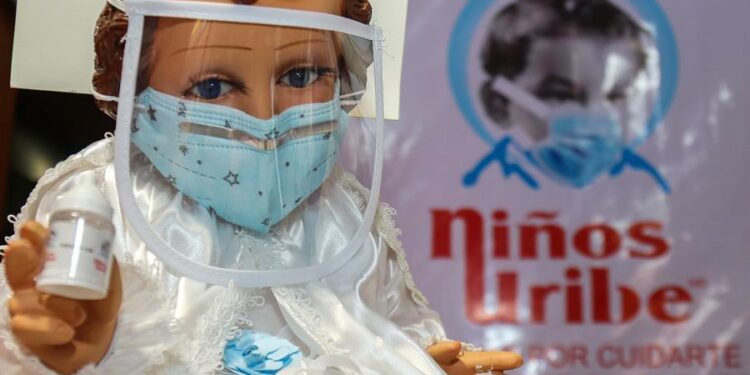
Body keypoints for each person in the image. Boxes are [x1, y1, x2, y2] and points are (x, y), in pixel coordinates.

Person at [0, 1, 523, 374]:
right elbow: (43, 328)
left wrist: (407, 360)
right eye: (211, 87)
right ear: (133, 82)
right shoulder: (99, 202)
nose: (263, 120)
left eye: (300, 76)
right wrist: (67, 354)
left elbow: (386, 318)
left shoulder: (343, 212)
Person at [465, 0, 669, 192]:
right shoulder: (477, 185)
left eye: (614, 97)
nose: (594, 115)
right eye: (562, 96)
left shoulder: (647, 190)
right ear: (498, 103)